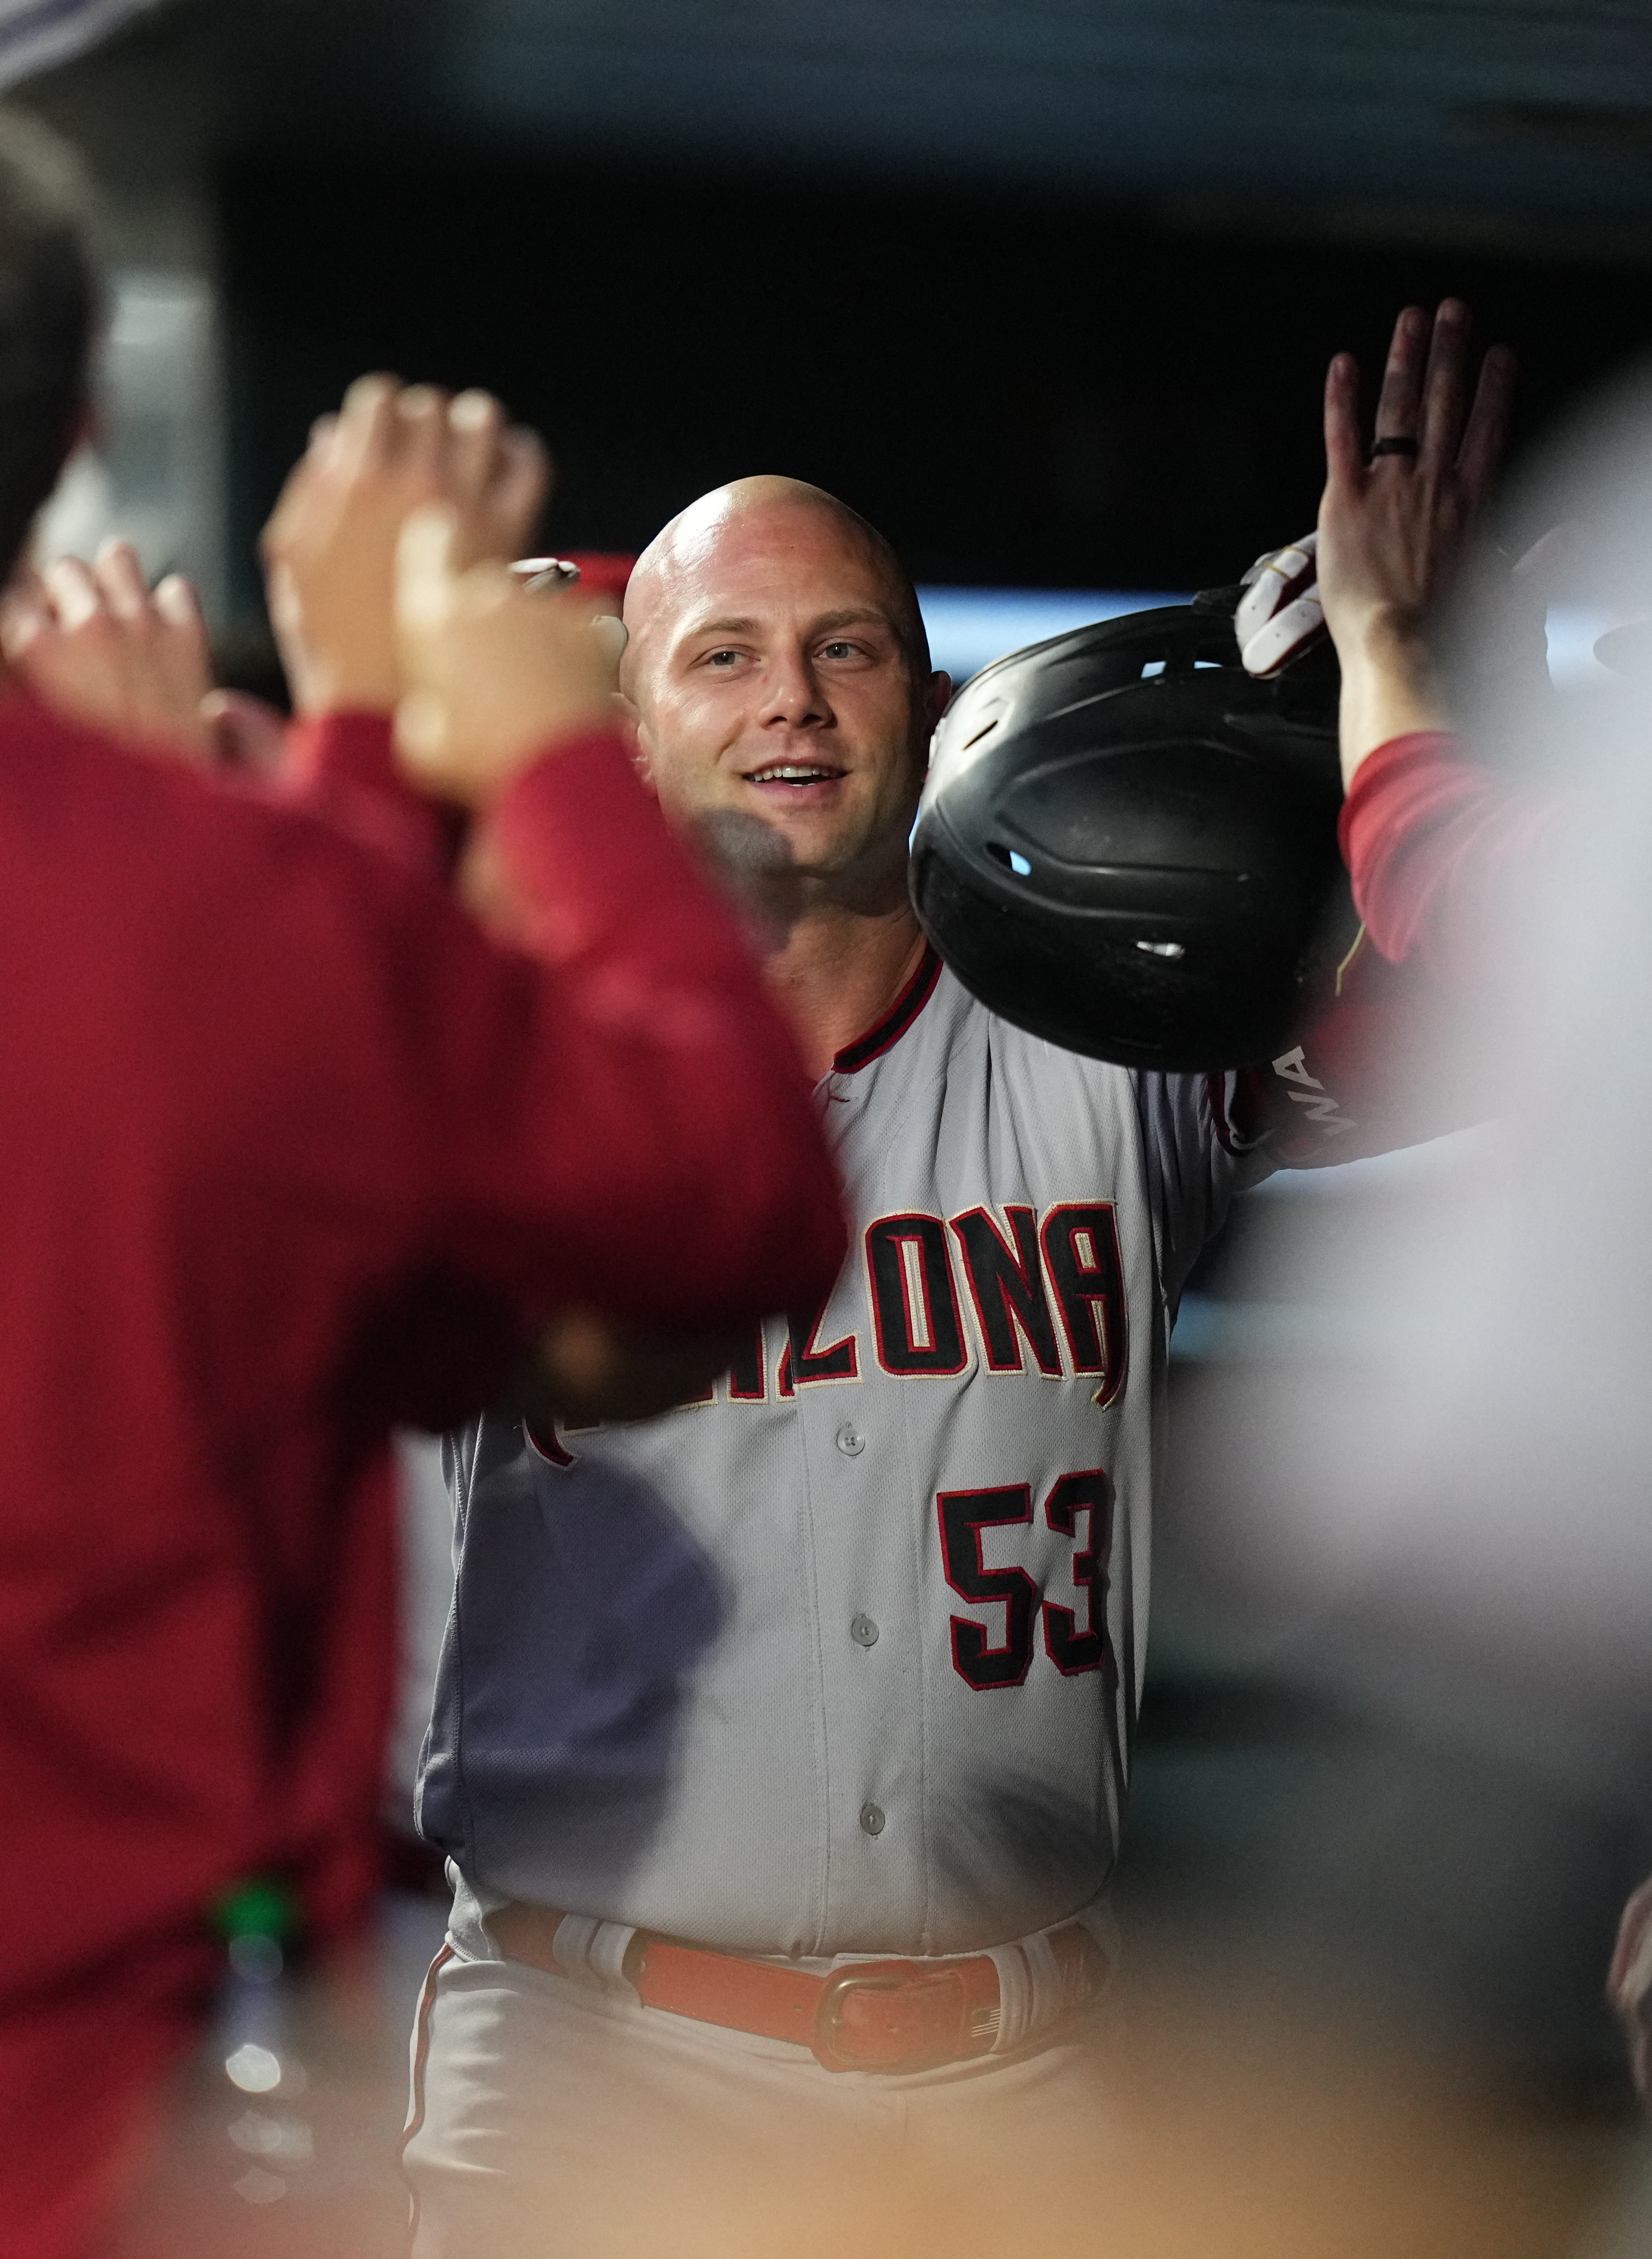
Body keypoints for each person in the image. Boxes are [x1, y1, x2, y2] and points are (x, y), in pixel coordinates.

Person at [395, 429, 1486, 2251]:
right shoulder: (491, 1076)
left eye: (847, 647)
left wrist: (1389, 658)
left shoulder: (1112, 1022)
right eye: (723, 655)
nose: (795, 703)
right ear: (635, 732)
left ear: (930, 697)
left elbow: (1470, 986)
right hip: (598, 2067)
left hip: (1023, 2082)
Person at [0, 124, 847, 2259]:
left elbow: (343, 1225)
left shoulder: (233, 906)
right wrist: (523, 753)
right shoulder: (213, 909)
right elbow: (726, 1198)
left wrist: (336, 771)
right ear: (79, 439)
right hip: (125, 2157)